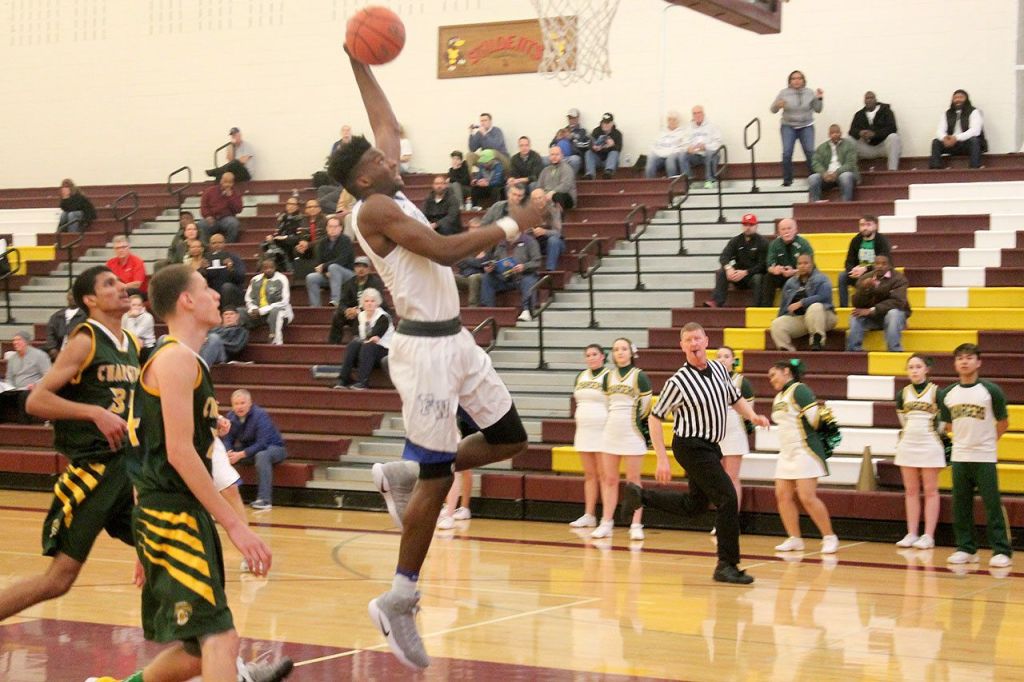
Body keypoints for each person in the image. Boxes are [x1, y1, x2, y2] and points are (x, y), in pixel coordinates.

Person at [326, 49, 543, 670]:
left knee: (508, 437)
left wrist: (360, 62)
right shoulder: (375, 210)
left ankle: (402, 476)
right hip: (421, 351)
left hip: (456, 340)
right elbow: (448, 251)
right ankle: (399, 598)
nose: (389, 155)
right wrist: (512, 225)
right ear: (363, 181)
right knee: (440, 477)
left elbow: (385, 124)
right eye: (376, 160)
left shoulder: (382, 183)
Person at [121, 264, 292, 681]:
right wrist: (236, 526)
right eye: (206, 290)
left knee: (199, 651)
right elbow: (179, 454)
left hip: (170, 515)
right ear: (187, 300)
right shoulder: (177, 358)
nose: (217, 296)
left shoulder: (180, 360)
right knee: (220, 638)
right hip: (173, 516)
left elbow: (145, 450)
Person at [0, 267, 137, 622]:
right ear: (90, 300)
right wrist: (94, 412)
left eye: (120, 282)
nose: (121, 287)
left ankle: (206, 651)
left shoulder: (132, 343)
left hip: (128, 470)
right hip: (93, 473)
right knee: (59, 580)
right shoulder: (85, 339)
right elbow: (35, 402)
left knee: (169, 549)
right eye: (109, 284)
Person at [619, 322, 769, 584]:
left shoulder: (721, 370)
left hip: (711, 446)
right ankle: (727, 564)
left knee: (695, 506)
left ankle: (641, 496)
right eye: (688, 340)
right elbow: (655, 418)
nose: (694, 344)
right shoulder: (678, 381)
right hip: (690, 446)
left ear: (706, 341)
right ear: (682, 346)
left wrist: (753, 416)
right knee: (727, 498)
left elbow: (734, 399)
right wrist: (662, 458)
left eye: (697, 338)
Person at [938, 343, 1012, 568]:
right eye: (960, 358)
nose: (964, 361)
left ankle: (1002, 551)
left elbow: (1003, 422)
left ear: (978, 362)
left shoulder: (991, 391)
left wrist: (987, 442)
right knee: (960, 505)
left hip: (985, 457)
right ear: (955, 363)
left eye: (969, 358)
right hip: (960, 457)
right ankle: (966, 548)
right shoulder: (947, 393)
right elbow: (949, 426)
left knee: (992, 504)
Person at [768, 359, 840, 555]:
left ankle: (829, 536)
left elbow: (816, 420)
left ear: (786, 371)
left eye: (774, 375)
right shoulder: (778, 397)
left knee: (806, 496)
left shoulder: (800, 390)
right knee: (782, 496)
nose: (771, 379)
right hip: (786, 452)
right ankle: (794, 538)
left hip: (805, 450)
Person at [591, 338, 651, 541]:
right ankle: (606, 522)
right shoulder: (608, 377)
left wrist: (635, 424)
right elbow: (608, 402)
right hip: (611, 432)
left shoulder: (640, 376)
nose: (620, 352)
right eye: (616, 349)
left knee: (633, 481)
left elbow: (645, 407)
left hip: (632, 432)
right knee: (609, 479)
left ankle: (636, 524)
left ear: (631, 352)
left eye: (624, 349)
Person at [894, 354, 946, 551]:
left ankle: (928, 535)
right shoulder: (902, 394)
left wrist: (932, 435)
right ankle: (911, 533)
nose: (914, 370)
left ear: (927, 369)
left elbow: (942, 422)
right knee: (911, 491)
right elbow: (903, 420)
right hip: (908, 444)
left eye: (918, 366)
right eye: (911, 367)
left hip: (930, 444)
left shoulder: (937, 392)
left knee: (931, 490)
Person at [223, 388, 287, 511]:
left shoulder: (260, 415)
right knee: (221, 457)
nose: (239, 407)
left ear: (250, 403)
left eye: (242, 403)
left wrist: (240, 454)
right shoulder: (231, 417)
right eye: (236, 404)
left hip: (273, 448)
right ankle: (224, 498)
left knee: (262, 455)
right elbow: (227, 439)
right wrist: (228, 452)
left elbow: (262, 443)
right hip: (249, 450)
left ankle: (265, 500)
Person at [567, 344, 609, 529]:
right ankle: (589, 514)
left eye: (595, 354)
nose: (591, 357)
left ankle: (607, 519)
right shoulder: (580, 376)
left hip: (603, 431)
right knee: (590, 475)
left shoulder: (609, 376)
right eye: (588, 355)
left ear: (603, 356)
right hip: (583, 431)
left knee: (604, 475)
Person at [769, 253, 837, 352]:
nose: (802, 266)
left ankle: (817, 341)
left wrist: (802, 302)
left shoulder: (822, 278)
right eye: (800, 263)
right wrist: (783, 316)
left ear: (812, 264)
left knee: (815, 307)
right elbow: (784, 305)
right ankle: (787, 350)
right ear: (796, 266)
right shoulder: (790, 283)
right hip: (802, 319)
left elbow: (823, 296)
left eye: (806, 263)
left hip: (824, 316)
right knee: (777, 323)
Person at [715, 346, 754, 512]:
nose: (722, 359)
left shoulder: (741, 382)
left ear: (733, 360)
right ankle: (720, 519)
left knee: (731, 478)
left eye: (726, 356)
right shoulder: (711, 380)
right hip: (715, 433)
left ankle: (732, 519)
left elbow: (749, 411)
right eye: (719, 356)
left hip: (734, 432)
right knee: (718, 479)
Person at [846, 254, 911, 352]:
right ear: (874, 265)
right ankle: (854, 350)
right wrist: (864, 289)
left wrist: (872, 310)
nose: (880, 266)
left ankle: (894, 350)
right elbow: (856, 303)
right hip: (875, 318)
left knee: (893, 314)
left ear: (889, 265)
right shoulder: (865, 278)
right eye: (877, 263)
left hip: (893, 316)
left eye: (883, 264)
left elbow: (897, 302)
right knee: (855, 315)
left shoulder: (899, 279)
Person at [770, 70, 823, 186]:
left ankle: (814, 179)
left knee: (810, 152)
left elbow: (818, 109)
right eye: (793, 78)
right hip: (788, 126)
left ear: (804, 80)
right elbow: (772, 110)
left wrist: (819, 98)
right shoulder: (783, 93)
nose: (797, 81)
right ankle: (787, 180)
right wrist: (777, 105)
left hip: (806, 126)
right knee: (787, 153)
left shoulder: (810, 92)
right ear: (790, 81)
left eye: (799, 78)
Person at [333, 287, 393, 390]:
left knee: (368, 345)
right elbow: (357, 336)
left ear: (377, 303)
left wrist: (363, 342)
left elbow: (374, 338)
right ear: (362, 304)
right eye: (366, 301)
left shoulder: (383, 317)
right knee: (353, 345)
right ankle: (344, 379)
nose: (369, 303)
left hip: (384, 352)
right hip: (366, 353)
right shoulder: (361, 316)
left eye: (372, 301)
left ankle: (362, 382)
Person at [479, 228, 542, 322]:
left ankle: (526, 310)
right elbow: (496, 260)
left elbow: (537, 262)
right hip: (505, 277)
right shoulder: (501, 243)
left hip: (523, 275)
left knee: (529, 280)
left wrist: (524, 266)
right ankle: (489, 310)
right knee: (487, 278)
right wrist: (491, 267)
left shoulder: (530, 241)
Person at [706, 213, 768, 308]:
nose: (748, 227)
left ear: (756, 226)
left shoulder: (763, 242)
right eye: (745, 224)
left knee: (758, 278)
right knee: (722, 271)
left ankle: (757, 307)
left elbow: (763, 265)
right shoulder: (735, 241)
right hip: (738, 276)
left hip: (752, 275)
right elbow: (724, 256)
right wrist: (729, 268)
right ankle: (716, 301)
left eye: (751, 225)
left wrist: (745, 272)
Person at [328, 256, 388, 343]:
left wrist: (358, 311)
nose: (361, 269)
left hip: (370, 312)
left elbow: (378, 302)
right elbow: (342, 302)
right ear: (354, 268)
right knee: (337, 315)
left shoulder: (376, 283)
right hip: (352, 313)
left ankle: (358, 342)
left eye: (364, 266)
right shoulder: (349, 283)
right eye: (358, 266)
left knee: (361, 315)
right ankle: (334, 343)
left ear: (369, 269)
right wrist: (346, 310)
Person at [836, 215, 891, 308]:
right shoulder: (856, 240)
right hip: (858, 273)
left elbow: (884, 263)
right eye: (862, 225)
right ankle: (843, 307)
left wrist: (865, 269)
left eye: (868, 225)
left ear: (876, 226)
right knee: (842, 277)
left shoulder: (882, 241)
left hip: (875, 273)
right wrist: (853, 269)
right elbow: (849, 261)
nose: (865, 228)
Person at [761, 218, 813, 309]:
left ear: (795, 230)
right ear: (779, 232)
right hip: (781, 275)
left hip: (798, 275)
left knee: (807, 277)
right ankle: (766, 307)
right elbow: (769, 265)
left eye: (789, 228)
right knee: (768, 277)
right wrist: (775, 270)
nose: (786, 232)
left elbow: (810, 267)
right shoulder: (774, 244)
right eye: (783, 229)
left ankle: (801, 306)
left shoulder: (803, 244)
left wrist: (794, 272)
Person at [305, 216, 355, 307]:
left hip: (347, 274)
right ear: (327, 228)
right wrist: (325, 271)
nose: (332, 229)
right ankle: (315, 306)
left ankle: (336, 300)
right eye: (330, 226)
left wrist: (325, 267)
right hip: (329, 274)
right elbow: (318, 263)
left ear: (340, 228)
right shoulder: (322, 242)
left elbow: (342, 260)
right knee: (311, 277)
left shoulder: (346, 240)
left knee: (334, 267)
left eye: (335, 227)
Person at [929, 89, 986, 169]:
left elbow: (975, 131)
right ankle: (935, 168)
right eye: (955, 98)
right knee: (936, 142)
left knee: (974, 140)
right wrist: (944, 138)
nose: (958, 100)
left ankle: (974, 167)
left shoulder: (974, 112)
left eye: (961, 97)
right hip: (952, 144)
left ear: (966, 99)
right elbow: (940, 130)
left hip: (967, 144)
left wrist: (956, 138)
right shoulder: (947, 113)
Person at [244, 256, 294, 346]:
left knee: (276, 312)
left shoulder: (281, 279)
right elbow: (249, 298)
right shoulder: (255, 279)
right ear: (261, 268)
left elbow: (284, 302)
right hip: (259, 314)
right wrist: (253, 309)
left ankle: (276, 342)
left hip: (281, 313)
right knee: (239, 312)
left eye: (271, 267)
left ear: (275, 267)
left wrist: (261, 311)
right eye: (265, 268)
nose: (268, 270)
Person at [849, 91, 901, 171]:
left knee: (894, 137)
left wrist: (875, 134)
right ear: (864, 101)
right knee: (849, 140)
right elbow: (852, 131)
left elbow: (892, 128)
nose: (869, 100)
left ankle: (892, 170)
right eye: (867, 98)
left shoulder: (886, 111)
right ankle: (852, 171)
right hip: (866, 148)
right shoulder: (859, 115)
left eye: (871, 98)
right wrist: (860, 133)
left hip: (883, 147)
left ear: (876, 100)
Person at [808, 124, 859, 202]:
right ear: (829, 134)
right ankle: (815, 205)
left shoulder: (849, 145)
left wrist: (837, 173)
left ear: (841, 133)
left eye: (837, 132)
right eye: (832, 133)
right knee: (813, 178)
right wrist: (823, 173)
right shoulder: (822, 147)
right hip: (827, 176)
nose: (835, 135)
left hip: (843, 174)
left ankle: (846, 204)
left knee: (845, 176)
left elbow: (850, 163)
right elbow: (815, 162)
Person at [681, 105, 724, 188]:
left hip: (710, 153)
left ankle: (710, 180)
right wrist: (688, 148)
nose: (697, 115)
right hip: (696, 155)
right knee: (683, 155)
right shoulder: (689, 128)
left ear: (703, 114)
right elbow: (684, 142)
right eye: (695, 113)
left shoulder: (712, 126)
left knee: (709, 153)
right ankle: (689, 180)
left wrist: (706, 146)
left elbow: (718, 142)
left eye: (699, 113)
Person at [204, 233, 247, 310]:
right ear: (210, 245)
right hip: (212, 291)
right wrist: (202, 269)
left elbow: (241, 278)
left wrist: (231, 269)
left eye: (220, 242)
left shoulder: (233, 257)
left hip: (231, 292)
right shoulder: (205, 259)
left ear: (224, 244)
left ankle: (226, 312)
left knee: (226, 287)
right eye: (214, 243)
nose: (217, 245)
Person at [263, 196, 306, 271]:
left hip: (292, 242)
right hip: (281, 241)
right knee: (265, 244)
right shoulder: (283, 218)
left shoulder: (301, 219)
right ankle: (269, 269)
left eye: (293, 204)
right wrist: (272, 237)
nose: (290, 206)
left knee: (277, 248)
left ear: (298, 206)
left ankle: (285, 269)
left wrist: (285, 237)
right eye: (288, 204)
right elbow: (278, 232)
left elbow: (300, 237)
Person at [527, 188, 565, 271]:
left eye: (540, 198)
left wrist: (544, 232)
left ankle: (550, 270)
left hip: (554, 243)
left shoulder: (554, 211)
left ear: (545, 198)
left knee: (553, 240)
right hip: (537, 243)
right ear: (531, 201)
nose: (538, 201)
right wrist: (531, 231)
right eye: (535, 199)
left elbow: (558, 233)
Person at [43, 290, 88, 360]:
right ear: (67, 297)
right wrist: (52, 348)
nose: (73, 297)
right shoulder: (57, 316)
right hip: (59, 351)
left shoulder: (87, 315)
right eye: (71, 295)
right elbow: (50, 334)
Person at [200, 172, 243, 243]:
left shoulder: (236, 193)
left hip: (226, 218)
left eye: (230, 182)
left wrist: (230, 197)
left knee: (234, 224)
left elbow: (238, 209)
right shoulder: (210, 191)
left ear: (233, 183)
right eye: (225, 181)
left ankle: (228, 245)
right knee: (202, 224)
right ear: (221, 181)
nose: (227, 184)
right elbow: (204, 206)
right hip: (212, 217)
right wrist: (207, 216)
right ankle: (206, 247)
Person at [453, 219, 486, 307]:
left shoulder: (487, 243)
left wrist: (467, 258)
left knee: (473, 278)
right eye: (472, 228)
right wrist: (475, 260)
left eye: (477, 228)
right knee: (449, 277)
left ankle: (472, 307)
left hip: (480, 277)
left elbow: (484, 263)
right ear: (469, 229)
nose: (475, 230)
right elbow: (459, 262)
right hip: (464, 276)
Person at [644, 110, 686, 179]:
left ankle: (672, 183)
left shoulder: (682, 133)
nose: (672, 121)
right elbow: (654, 145)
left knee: (670, 159)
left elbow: (682, 148)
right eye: (670, 119)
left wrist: (669, 152)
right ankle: (650, 183)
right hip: (660, 156)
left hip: (673, 156)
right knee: (651, 157)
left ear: (678, 121)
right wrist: (658, 153)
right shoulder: (661, 132)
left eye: (674, 119)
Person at [536, 145, 577, 210]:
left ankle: (559, 217)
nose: (554, 157)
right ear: (549, 156)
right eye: (552, 154)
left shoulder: (567, 168)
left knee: (557, 196)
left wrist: (552, 192)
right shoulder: (545, 170)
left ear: (562, 155)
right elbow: (539, 186)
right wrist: (542, 195)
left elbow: (565, 186)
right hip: (547, 197)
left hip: (565, 197)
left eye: (557, 154)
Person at [585, 113, 623, 180]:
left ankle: (608, 172)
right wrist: (594, 147)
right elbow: (590, 145)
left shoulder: (617, 134)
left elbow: (619, 149)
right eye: (603, 123)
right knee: (588, 153)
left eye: (607, 123)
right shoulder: (596, 131)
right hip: (598, 159)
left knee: (614, 152)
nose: (605, 125)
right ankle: (590, 174)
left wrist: (611, 145)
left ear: (612, 123)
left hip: (611, 162)